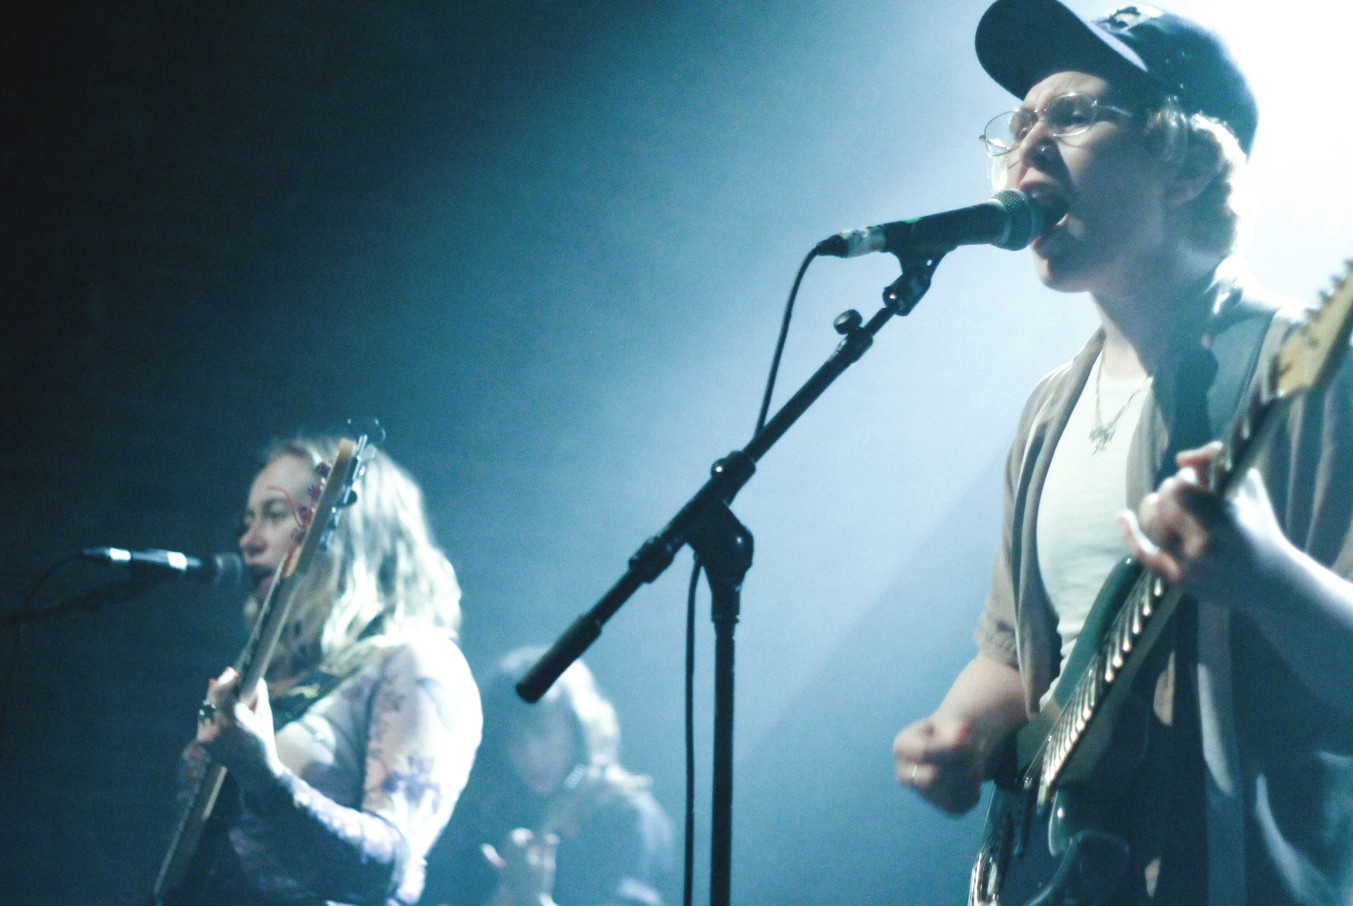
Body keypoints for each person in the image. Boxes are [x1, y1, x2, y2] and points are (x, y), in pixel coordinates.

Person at [890, 2, 1353, 904]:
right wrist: (956, 728)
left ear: (1185, 161)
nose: (1024, 148)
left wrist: (1268, 578)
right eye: (1018, 123)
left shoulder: (1314, 372)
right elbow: (1018, 659)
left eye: (1068, 113)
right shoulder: (1048, 410)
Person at [180, 436, 482, 906]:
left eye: (275, 515)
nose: (248, 539)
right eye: (247, 520)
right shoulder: (270, 673)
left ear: (342, 527)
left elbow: (389, 868)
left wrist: (265, 778)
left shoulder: (419, 661)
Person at [421, 648, 674, 906]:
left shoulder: (626, 817)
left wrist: (534, 899)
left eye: (542, 732)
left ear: (578, 728)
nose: (530, 754)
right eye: (514, 739)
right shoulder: (495, 816)